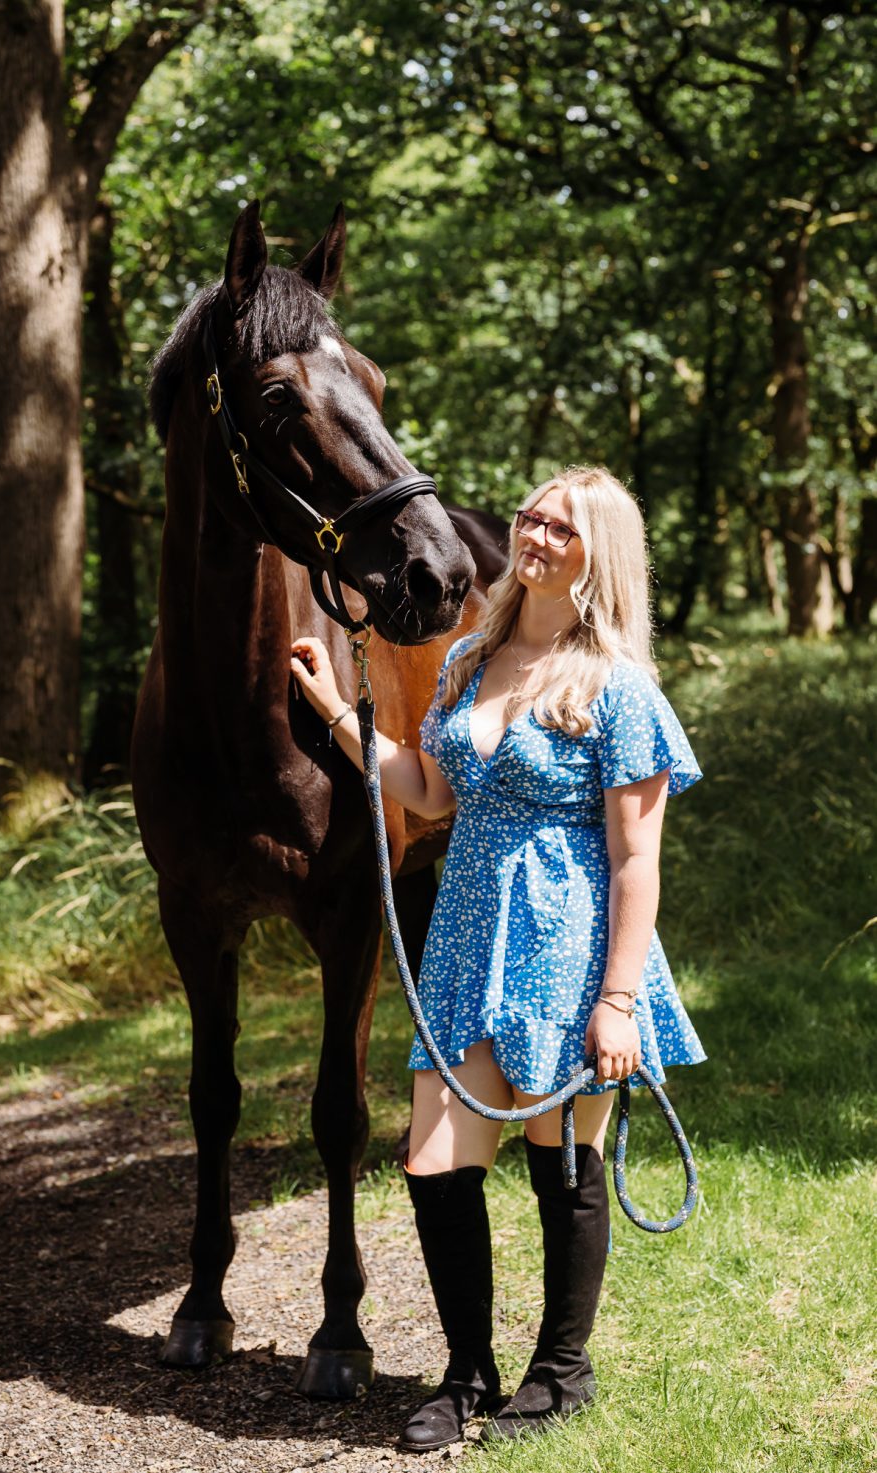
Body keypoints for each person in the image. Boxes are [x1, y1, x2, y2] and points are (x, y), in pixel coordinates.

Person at [289, 465, 706, 1451]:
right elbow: (430, 790)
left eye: (562, 527)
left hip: (570, 944)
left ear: (596, 553)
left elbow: (636, 857)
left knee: (561, 1159)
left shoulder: (616, 685)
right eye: (530, 516)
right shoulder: (470, 658)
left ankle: (560, 1373)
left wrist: (615, 999)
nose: (535, 534)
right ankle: (467, 1372)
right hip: (467, 942)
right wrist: (338, 712)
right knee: (434, 1161)